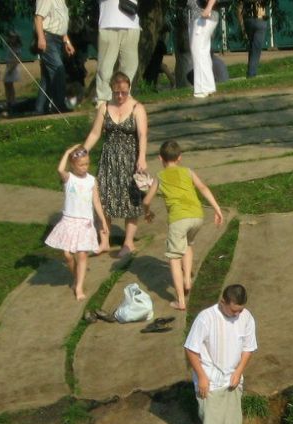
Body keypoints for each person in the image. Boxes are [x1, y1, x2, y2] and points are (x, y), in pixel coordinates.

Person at [184, 284, 258, 424]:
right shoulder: (206, 318)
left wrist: (239, 372)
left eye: (240, 310)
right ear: (223, 302)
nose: (237, 314)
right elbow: (191, 348)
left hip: (233, 381)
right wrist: (202, 377)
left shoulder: (246, 317)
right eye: (233, 310)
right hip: (211, 382)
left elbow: (248, 347)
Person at [142, 139, 224, 311]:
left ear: (160, 158)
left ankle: (180, 300)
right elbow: (202, 188)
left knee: (173, 257)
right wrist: (217, 209)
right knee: (187, 245)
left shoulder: (160, 176)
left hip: (178, 220)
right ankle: (187, 279)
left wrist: (147, 212)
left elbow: (147, 200)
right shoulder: (188, 171)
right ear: (179, 158)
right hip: (197, 216)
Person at [83, 71, 148, 256]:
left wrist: (141, 157)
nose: (120, 96)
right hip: (109, 159)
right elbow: (96, 133)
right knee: (102, 199)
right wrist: (84, 150)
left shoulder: (137, 108)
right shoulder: (104, 107)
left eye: (124, 93)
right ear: (111, 90)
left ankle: (128, 243)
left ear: (129, 90)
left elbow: (142, 135)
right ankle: (104, 241)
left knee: (131, 201)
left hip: (130, 159)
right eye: (116, 93)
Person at [44, 145, 108, 301]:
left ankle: (79, 286)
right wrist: (66, 152)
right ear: (73, 165)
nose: (85, 167)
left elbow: (97, 202)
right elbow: (60, 170)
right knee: (67, 255)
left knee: (82, 255)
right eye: (81, 164)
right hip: (69, 221)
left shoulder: (92, 181)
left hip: (85, 222)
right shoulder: (69, 179)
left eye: (87, 164)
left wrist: (103, 222)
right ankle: (77, 277)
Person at [96, 0, 140, 105]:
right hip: (109, 22)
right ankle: (103, 99)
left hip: (131, 23)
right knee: (105, 66)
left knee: (130, 64)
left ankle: (125, 94)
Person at [34, 0, 73, 115]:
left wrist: (67, 42)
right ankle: (59, 105)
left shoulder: (62, 2)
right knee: (58, 70)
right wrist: (41, 38)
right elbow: (38, 18)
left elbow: (63, 22)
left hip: (58, 40)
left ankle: (40, 108)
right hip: (48, 38)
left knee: (47, 77)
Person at [188, 0, 220, 97]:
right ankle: (208, 86)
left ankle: (202, 89)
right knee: (202, 52)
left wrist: (208, 7)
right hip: (200, 16)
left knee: (198, 51)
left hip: (203, 16)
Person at [237, 0, 270, 79]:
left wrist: (242, 26)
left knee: (252, 48)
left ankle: (250, 72)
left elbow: (239, 10)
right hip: (260, 20)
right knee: (256, 49)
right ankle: (251, 74)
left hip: (248, 20)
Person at [2, 30, 25, 115]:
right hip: (9, 67)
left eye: (12, 38)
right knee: (7, 84)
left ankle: (12, 101)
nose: (11, 39)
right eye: (10, 37)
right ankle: (10, 100)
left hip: (12, 68)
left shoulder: (17, 48)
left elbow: (16, 60)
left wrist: (11, 68)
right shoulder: (10, 46)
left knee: (8, 84)